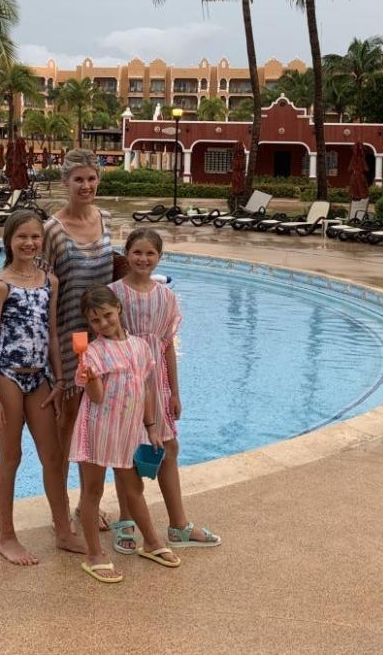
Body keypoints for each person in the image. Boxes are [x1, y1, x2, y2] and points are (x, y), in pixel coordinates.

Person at [0, 210, 85, 565]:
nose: (29, 243)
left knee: (53, 456)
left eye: (35, 237)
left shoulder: (49, 282)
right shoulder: (0, 286)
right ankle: (6, 536)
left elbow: (53, 334)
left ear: (43, 240)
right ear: (9, 241)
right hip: (9, 376)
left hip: (40, 378)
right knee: (11, 456)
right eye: (21, 237)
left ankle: (63, 530)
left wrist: (58, 380)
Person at [110, 228, 221, 550]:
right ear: (126, 253)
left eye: (150, 254)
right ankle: (126, 520)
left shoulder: (166, 297)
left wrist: (175, 391)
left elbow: (168, 346)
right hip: (126, 380)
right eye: (137, 252)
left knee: (169, 449)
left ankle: (178, 525)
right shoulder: (114, 292)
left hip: (156, 381)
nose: (143, 259)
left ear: (160, 258)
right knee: (127, 453)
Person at [71, 284, 181, 583]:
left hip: (130, 431)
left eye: (107, 315)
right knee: (92, 491)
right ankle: (94, 554)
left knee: (134, 489)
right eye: (95, 321)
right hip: (98, 430)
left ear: (118, 309)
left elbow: (145, 388)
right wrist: (91, 378)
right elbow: (95, 397)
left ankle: (152, 542)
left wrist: (151, 427)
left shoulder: (140, 347)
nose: (103, 323)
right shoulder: (93, 352)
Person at [41, 149, 119, 530]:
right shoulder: (52, 230)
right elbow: (43, 290)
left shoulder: (106, 219)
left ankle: (88, 505)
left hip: (104, 341)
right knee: (66, 429)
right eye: (78, 180)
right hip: (68, 340)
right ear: (65, 183)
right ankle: (63, 511)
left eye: (91, 178)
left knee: (99, 427)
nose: (86, 186)